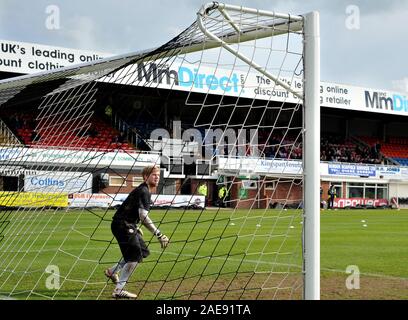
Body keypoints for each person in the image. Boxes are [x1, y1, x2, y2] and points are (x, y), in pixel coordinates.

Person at [104, 165, 169, 299]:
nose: (157, 177)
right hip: (123, 225)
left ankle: (112, 271)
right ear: (146, 177)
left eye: (158, 175)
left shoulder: (143, 190)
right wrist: (159, 234)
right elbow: (143, 216)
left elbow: (130, 210)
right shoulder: (144, 191)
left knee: (142, 252)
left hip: (125, 224)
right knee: (134, 257)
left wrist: (134, 225)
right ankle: (118, 290)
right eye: (153, 175)